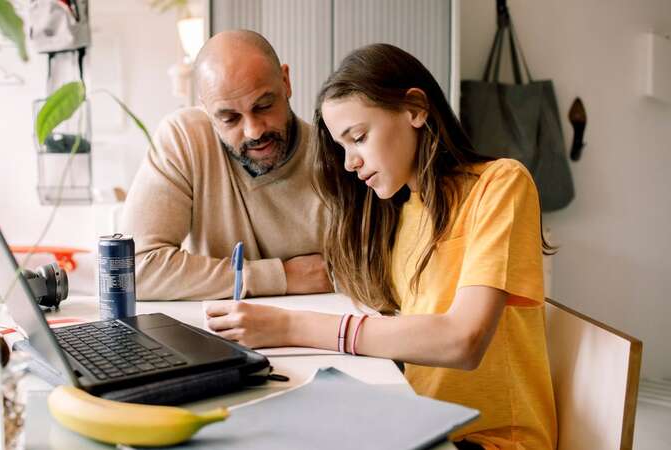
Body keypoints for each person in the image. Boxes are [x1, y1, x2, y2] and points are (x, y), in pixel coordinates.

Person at [206, 43, 557, 449]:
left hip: (489, 440)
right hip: (421, 424)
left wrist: (290, 326)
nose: (350, 162)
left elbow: (463, 341)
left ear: (415, 109)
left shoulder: (499, 185)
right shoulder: (400, 214)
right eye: (342, 149)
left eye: (358, 138)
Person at [119, 30, 332, 300]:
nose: (254, 131)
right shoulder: (185, 138)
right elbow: (131, 270)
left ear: (286, 82)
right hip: (213, 334)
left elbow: (367, 272)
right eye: (230, 118)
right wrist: (282, 277)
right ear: (206, 109)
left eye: (264, 106)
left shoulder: (338, 159)